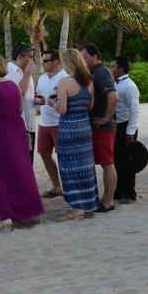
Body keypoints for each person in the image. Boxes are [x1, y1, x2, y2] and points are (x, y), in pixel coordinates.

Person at [0, 54, 45, 232]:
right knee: (21, 172)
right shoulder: (14, 85)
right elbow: (20, 109)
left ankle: (6, 217)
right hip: (17, 131)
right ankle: (29, 212)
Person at [53, 49, 98, 221]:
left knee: (69, 168)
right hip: (84, 128)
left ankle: (76, 207)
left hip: (69, 130)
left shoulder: (65, 82)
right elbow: (89, 106)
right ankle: (87, 203)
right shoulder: (89, 81)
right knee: (85, 167)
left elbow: (62, 110)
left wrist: (53, 103)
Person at [80, 43, 118, 212]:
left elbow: (113, 96)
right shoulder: (95, 72)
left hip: (103, 127)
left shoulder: (102, 72)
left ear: (95, 56)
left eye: (85, 58)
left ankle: (109, 202)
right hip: (98, 125)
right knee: (105, 163)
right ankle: (105, 199)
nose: (83, 61)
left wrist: (106, 118)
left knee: (108, 164)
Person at [34, 50, 67, 198]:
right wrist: (38, 100)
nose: (43, 63)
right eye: (43, 61)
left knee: (63, 157)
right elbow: (40, 96)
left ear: (56, 62)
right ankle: (56, 186)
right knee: (44, 153)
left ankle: (68, 187)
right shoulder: (42, 78)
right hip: (44, 122)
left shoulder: (65, 77)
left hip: (60, 122)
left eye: (46, 61)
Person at [110, 56, 141, 204]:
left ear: (121, 69)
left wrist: (130, 131)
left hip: (126, 126)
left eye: (113, 66)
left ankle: (129, 193)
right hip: (116, 125)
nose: (111, 69)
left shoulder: (129, 86)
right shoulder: (113, 83)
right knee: (117, 160)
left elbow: (135, 110)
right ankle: (119, 190)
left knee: (128, 160)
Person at [5, 42, 38, 153]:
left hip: (30, 124)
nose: (32, 60)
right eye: (30, 57)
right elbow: (19, 92)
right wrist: (28, 74)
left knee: (30, 160)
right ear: (19, 57)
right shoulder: (8, 72)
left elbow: (26, 94)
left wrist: (35, 99)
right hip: (18, 126)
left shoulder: (26, 71)